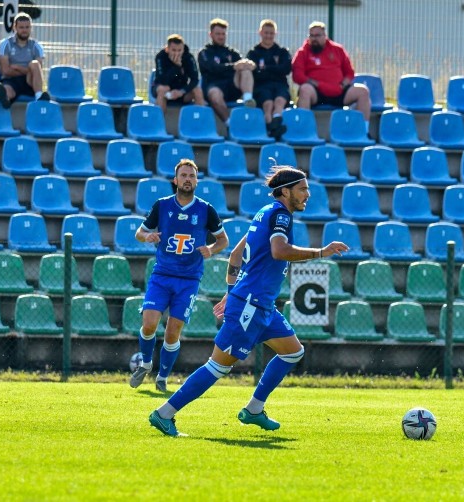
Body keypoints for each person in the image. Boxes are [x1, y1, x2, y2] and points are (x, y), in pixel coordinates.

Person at [149, 166, 349, 436]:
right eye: (302, 189)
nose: (307, 195)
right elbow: (279, 251)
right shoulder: (280, 215)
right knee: (218, 366)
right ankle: (164, 414)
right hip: (251, 306)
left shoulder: (264, 213)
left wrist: (232, 291)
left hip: (261, 305)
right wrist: (321, 252)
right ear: (286, 191)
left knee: (293, 352)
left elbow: (235, 255)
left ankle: (254, 408)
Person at [129, 159, 229, 393]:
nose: (187, 179)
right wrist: (148, 237)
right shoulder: (162, 206)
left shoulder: (206, 209)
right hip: (162, 275)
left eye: (191, 176)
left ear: (196, 181)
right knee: (150, 323)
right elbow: (139, 233)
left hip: (189, 280)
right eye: (183, 175)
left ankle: (162, 377)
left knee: (173, 330)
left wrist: (211, 249)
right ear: (175, 180)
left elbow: (223, 240)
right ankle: (145, 363)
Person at [291, 22, 371, 127]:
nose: (314, 39)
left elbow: (349, 72)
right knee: (304, 89)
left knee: (363, 91)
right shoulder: (302, 52)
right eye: (311, 35)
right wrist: (314, 83)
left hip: (338, 91)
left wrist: (343, 84)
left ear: (325, 36)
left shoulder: (338, 49)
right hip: (317, 93)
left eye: (318, 35)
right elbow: (297, 75)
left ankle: (363, 131)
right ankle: (303, 129)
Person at [197, 18, 255, 124]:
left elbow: (240, 65)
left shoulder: (232, 53)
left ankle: (248, 100)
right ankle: (230, 124)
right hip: (213, 87)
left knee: (245, 69)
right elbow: (212, 68)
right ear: (211, 34)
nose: (221, 37)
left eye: (223, 34)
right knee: (215, 95)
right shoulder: (205, 52)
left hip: (232, 88)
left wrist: (250, 65)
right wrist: (233, 66)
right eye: (218, 34)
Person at [246, 19, 291, 141]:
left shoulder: (282, 52)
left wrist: (265, 68)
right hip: (261, 86)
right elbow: (255, 72)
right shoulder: (253, 53)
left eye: (271, 33)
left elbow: (286, 69)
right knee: (268, 103)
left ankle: (274, 124)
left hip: (280, 85)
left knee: (280, 100)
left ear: (275, 34)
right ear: (260, 33)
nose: (268, 36)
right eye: (266, 33)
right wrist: (274, 69)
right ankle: (273, 128)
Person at [0, 12, 48, 108]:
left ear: (31, 28)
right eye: (21, 27)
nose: (24, 30)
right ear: (15, 28)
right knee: (6, 90)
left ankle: (39, 97)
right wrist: (27, 71)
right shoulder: (5, 44)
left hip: (30, 81)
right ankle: (5, 99)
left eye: (27, 27)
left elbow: (38, 71)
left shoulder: (37, 46)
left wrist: (17, 67)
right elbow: (5, 71)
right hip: (11, 80)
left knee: (34, 64)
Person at [153, 34, 205, 113]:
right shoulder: (160, 57)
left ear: (183, 49)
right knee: (163, 89)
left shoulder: (188, 57)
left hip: (181, 91)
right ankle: (158, 123)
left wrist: (182, 91)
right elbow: (162, 81)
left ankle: (201, 122)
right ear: (167, 49)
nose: (177, 53)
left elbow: (195, 79)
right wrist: (176, 67)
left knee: (197, 90)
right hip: (164, 90)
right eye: (173, 50)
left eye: (179, 50)